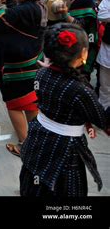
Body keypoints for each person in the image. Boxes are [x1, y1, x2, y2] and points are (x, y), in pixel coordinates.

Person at [20, 23, 110, 196]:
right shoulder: (80, 90)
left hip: (38, 138)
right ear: (83, 54)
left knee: (33, 184)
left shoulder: (41, 74)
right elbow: (102, 120)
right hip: (65, 150)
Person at [0, 0, 47, 157]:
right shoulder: (38, 6)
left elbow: (2, 18)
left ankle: (25, 145)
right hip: (32, 61)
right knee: (30, 102)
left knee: (15, 104)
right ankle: (36, 142)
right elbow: (15, 11)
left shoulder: (28, 9)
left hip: (21, 65)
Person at [53, 0, 98, 78]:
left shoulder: (86, 2)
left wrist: (65, 15)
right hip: (59, 49)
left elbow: (84, 29)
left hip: (78, 50)